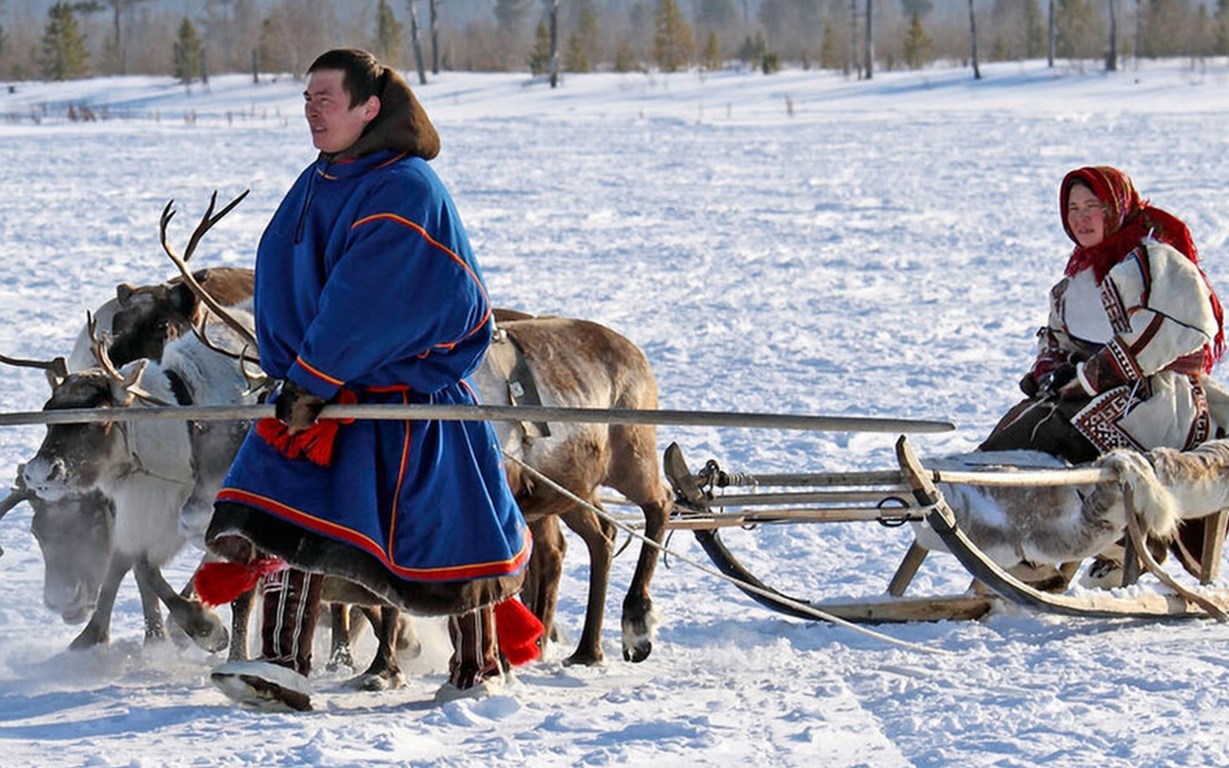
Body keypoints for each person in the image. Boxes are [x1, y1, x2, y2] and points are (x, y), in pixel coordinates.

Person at [201, 49, 533, 711]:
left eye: (325, 96)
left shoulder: (404, 188)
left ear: (369, 106)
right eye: (306, 97)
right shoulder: (324, 177)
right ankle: (280, 666)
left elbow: (369, 297)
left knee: (449, 534)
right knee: (285, 514)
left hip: (405, 398)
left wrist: (313, 377)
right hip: (321, 392)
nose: (311, 109)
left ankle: (480, 668)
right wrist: (299, 377)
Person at [980, 165, 1229, 585]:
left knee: (1057, 426)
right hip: (1093, 394)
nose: (1081, 218)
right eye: (1073, 208)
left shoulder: (1155, 260)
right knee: (1026, 422)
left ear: (1115, 207)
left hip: (1160, 398)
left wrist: (1091, 376)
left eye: (1092, 206)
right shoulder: (1074, 279)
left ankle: (1117, 536)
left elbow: (1175, 332)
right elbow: (1055, 340)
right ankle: (1017, 537)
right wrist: (1049, 375)